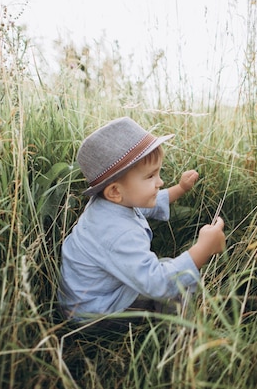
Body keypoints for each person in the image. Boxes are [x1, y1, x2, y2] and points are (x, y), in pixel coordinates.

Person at [58, 117, 226, 331]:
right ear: (115, 191)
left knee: (171, 269)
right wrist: (203, 249)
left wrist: (181, 188)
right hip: (95, 316)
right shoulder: (119, 234)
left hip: (85, 300)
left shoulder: (109, 204)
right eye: (150, 176)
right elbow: (157, 284)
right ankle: (182, 341)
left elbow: (147, 205)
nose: (160, 182)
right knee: (178, 282)